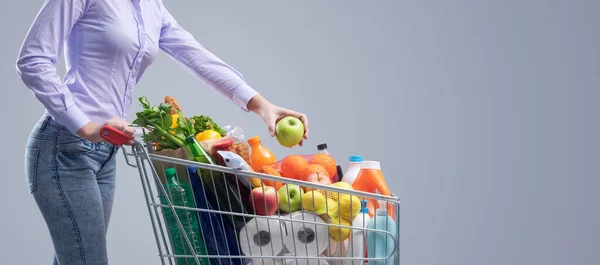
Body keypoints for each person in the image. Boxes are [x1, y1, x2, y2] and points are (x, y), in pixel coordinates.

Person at [16, 0, 309, 264]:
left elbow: (197, 57)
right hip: (64, 149)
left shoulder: (151, 7)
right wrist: (85, 126)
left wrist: (263, 106)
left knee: (76, 255)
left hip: (105, 151)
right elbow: (33, 60)